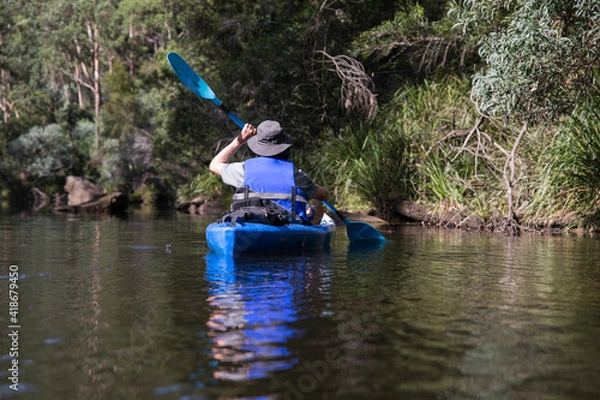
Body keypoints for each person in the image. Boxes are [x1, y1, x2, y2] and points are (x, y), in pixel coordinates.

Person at [209, 120, 329, 224]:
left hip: (249, 221)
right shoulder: (295, 174)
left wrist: (239, 141)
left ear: (258, 146)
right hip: (287, 225)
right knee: (317, 203)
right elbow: (323, 195)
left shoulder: (244, 169)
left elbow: (214, 165)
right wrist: (314, 189)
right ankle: (314, 226)